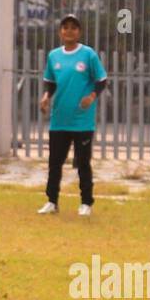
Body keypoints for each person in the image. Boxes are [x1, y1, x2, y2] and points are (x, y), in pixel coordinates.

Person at [37, 15, 107, 217]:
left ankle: (86, 203)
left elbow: (101, 80)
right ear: (60, 32)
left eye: (73, 28)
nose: (69, 31)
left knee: (82, 163)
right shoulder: (54, 56)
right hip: (59, 120)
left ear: (79, 32)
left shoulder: (88, 54)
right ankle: (52, 201)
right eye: (65, 27)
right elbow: (51, 83)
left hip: (82, 121)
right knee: (54, 163)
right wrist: (45, 97)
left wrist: (92, 96)